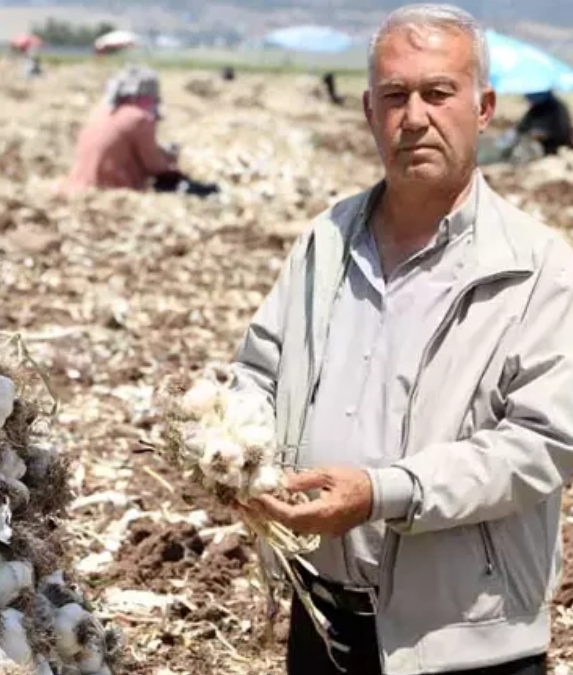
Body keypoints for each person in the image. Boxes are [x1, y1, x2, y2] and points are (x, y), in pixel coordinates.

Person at [230, 4, 573, 675]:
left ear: (484, 107)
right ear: (369, 112)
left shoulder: (540, 268)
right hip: (324, 617)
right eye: (394, 96)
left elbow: (541, 444)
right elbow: (258, 370)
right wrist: (235, 454)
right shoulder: (327, 239)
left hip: (464, 639)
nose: (414, 116)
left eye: (438, 93)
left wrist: (383, 491)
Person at [61, 65, 218, 196]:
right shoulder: (139, 118)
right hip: (111, 189)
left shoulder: (100, 112)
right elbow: (154, 165)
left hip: (76, 187)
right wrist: (170, 160)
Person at [515, 89, 572, 156]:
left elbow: (562, 132)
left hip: (552, 148)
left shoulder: (558, 109)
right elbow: (521, 127)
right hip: (531, 142)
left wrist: (544, 134)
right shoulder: (536, 108)